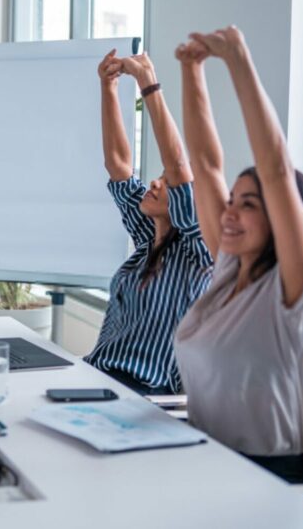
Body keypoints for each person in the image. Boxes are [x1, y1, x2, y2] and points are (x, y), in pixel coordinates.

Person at [173, 26, 303, 484]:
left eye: (249, 205)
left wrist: (237, 59)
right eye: (232, 200)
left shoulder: (295, 292)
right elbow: (205, 165)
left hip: (264, 479)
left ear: (286, 222)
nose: (230, 213)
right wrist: (191, 70)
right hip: (207, 462)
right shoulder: (228, 271)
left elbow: (276, 167)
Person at [83, 49, 213, 395]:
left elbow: (180, 166)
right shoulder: (147, 241)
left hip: (145, 394)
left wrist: (148, 85)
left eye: (166, 183)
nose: (155, 182)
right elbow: (119, 167)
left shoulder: (199, 255)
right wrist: (108, 87)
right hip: (98, 375)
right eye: (157, 177)